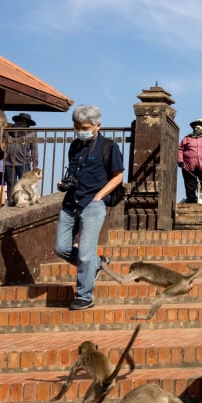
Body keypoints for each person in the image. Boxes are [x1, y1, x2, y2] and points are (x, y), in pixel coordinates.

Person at [54, 105, 124, 311]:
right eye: (76, 126)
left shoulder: (109, 147)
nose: (80, 130)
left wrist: (98, 197)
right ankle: (96, 264)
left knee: (85, 253)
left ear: (97, 125)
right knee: (61, 248)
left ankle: (84, 295)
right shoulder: (75, 146)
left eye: (84, 126)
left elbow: (118, 176)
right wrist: (64, 183)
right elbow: (74, 173)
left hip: (92, 204)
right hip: (70, 203)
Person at [4, 113, 39, 198]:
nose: (21, 123)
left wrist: (35, 165)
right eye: (19, 121)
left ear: (28, 124)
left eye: (24, 121)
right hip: (9, 162)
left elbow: (34, 150)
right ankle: (10, 201)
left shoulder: (31, 134)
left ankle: (24, 201)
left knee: (25, 185)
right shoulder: (8, 131)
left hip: (24, 163)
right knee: (10, 183)